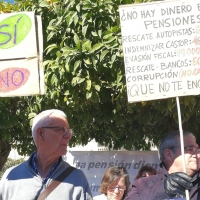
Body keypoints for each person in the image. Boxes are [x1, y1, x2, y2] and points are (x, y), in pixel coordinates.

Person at [0, 109, 92, 200]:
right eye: (61, 129)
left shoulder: (77, 178)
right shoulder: (11, 176)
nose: (69, 135)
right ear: (41, 133)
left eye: (68, 130)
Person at [124, 130, 200, 200]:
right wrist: (162, 190)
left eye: (197, 149)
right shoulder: (143, 184)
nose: (198, 155)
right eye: (190, 149)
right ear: (169, 154)